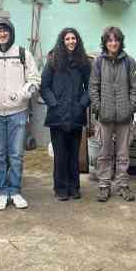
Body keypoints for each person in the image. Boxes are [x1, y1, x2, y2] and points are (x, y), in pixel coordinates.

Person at [0, 19, 40, 211]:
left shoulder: (23, 55)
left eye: (5, 30)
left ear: (11, 32)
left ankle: (15, 191)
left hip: (17, 113)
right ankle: (2, 191)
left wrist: (23, 94)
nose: (2, 34)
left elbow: (35, 79)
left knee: (16, 154)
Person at [89, 26, 136, 202]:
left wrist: (131, 108)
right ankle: (104, 185)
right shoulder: (98, 62)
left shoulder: (129, 62)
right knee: (104, 152)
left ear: (120, 42)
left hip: (124, 117)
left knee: (123, 153)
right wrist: (99, 108)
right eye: (109, 40)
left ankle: (122, 185)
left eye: (116, 40)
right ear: (105, 42)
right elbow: (93, 87)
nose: (113, 43)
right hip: (104, 117)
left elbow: (135, 88)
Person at [41, 28, 91, 201]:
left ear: (77, 41)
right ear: (62, 41)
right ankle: (60, 188)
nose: (71, 41)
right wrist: (54, 104)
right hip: (57, 116)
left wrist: (81, 105)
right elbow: (44, 86)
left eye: (73, 38)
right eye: (67, 38)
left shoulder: (83, 62)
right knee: (60, 154)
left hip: (76, 115)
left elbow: (90, 87)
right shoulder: (53, 61)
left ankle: (74, 187)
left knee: (74, 153)